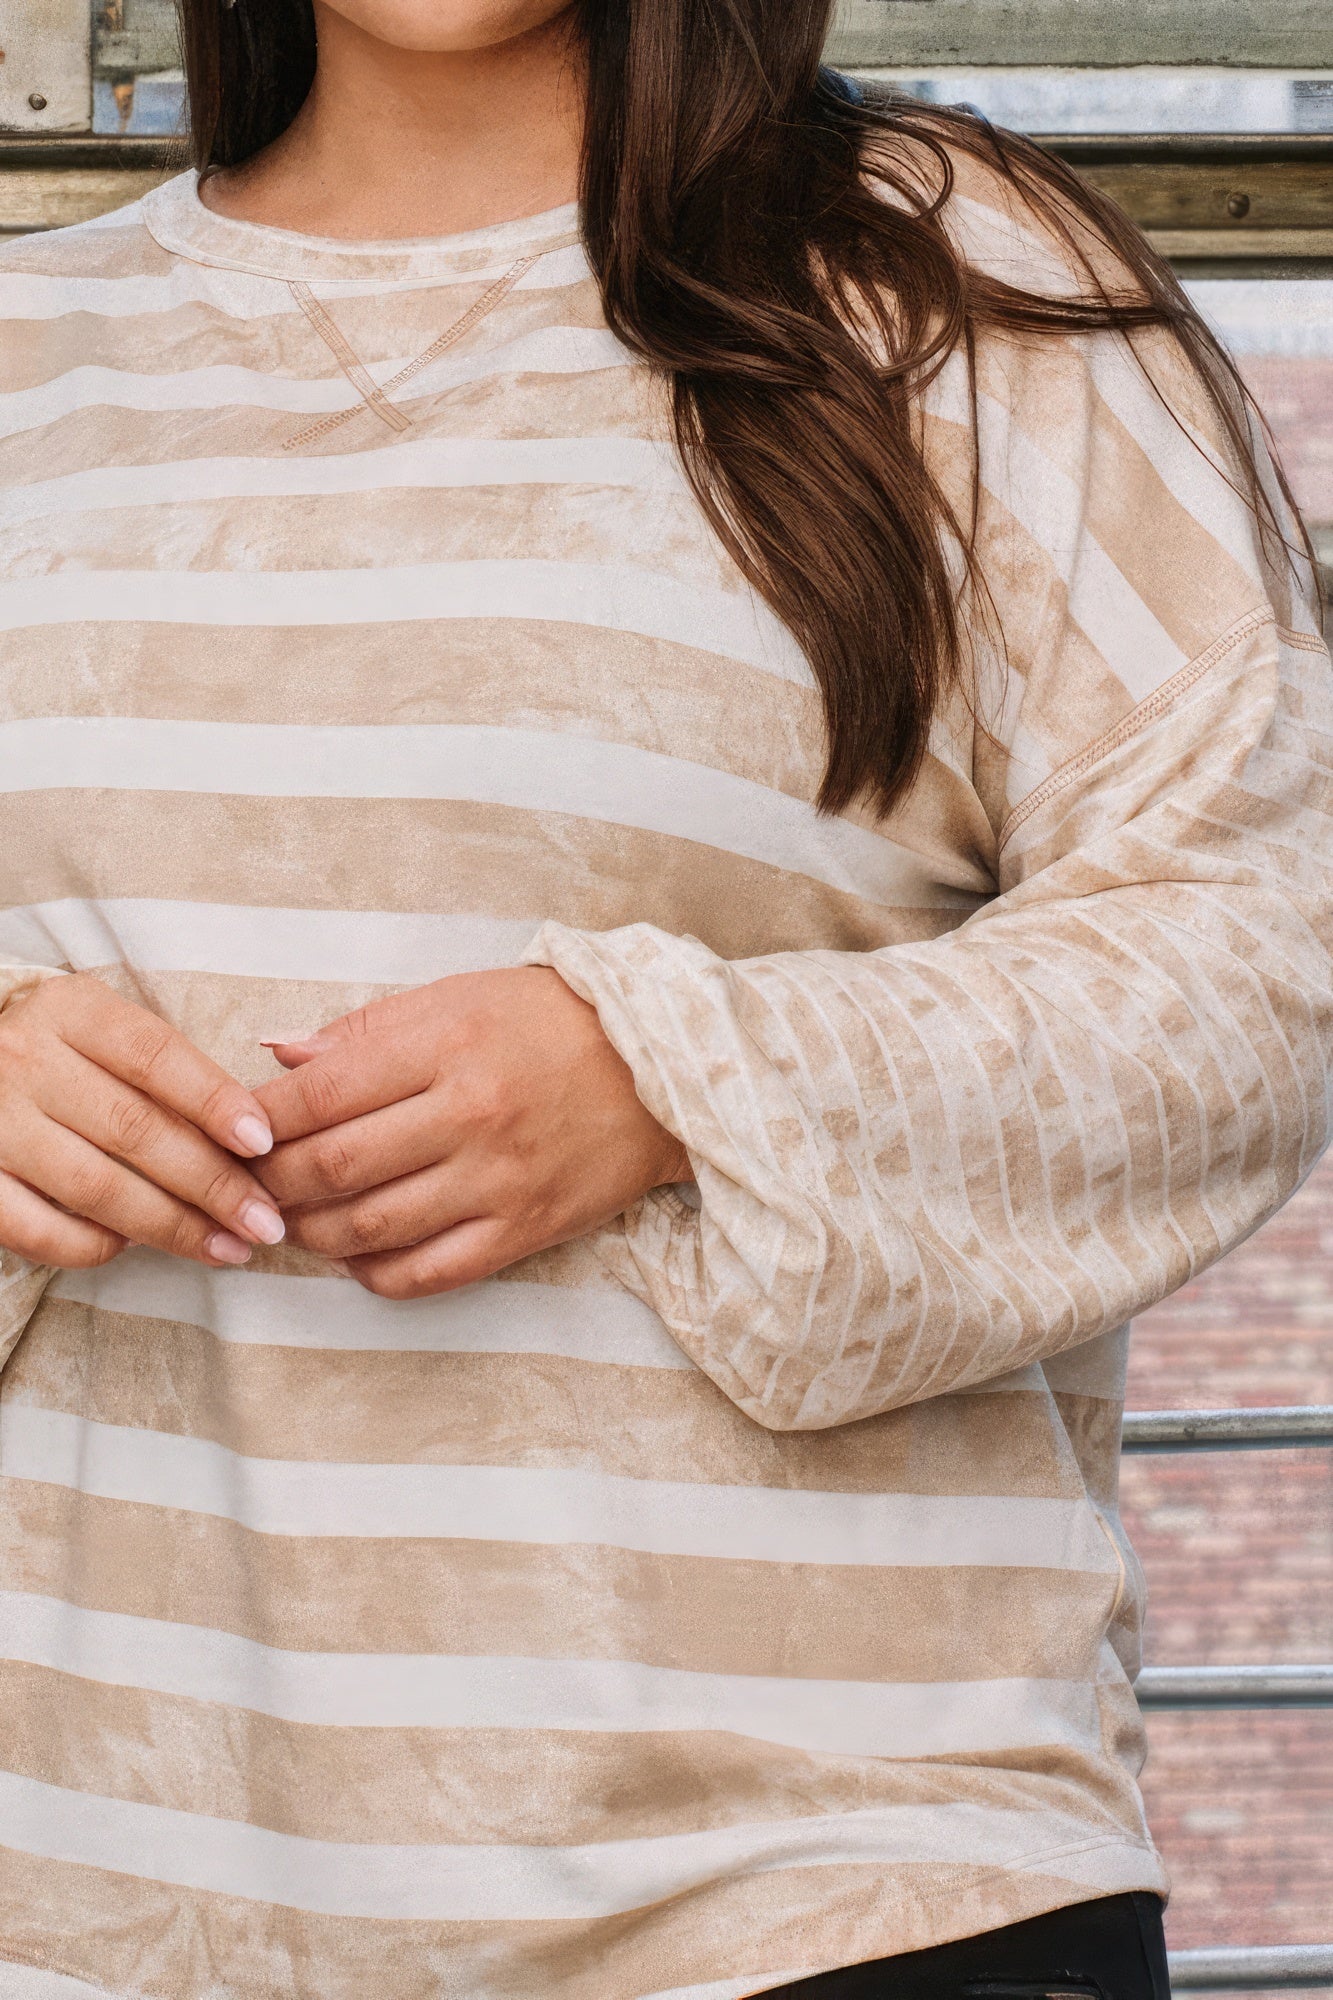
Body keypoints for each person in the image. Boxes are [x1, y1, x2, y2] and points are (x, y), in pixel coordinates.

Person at [0, 1, 1328, 1995]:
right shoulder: (28, 351)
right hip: (88, 1899)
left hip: (830, 1900)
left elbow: (1261, 951)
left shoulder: (954, 285)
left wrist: (666, 1078)